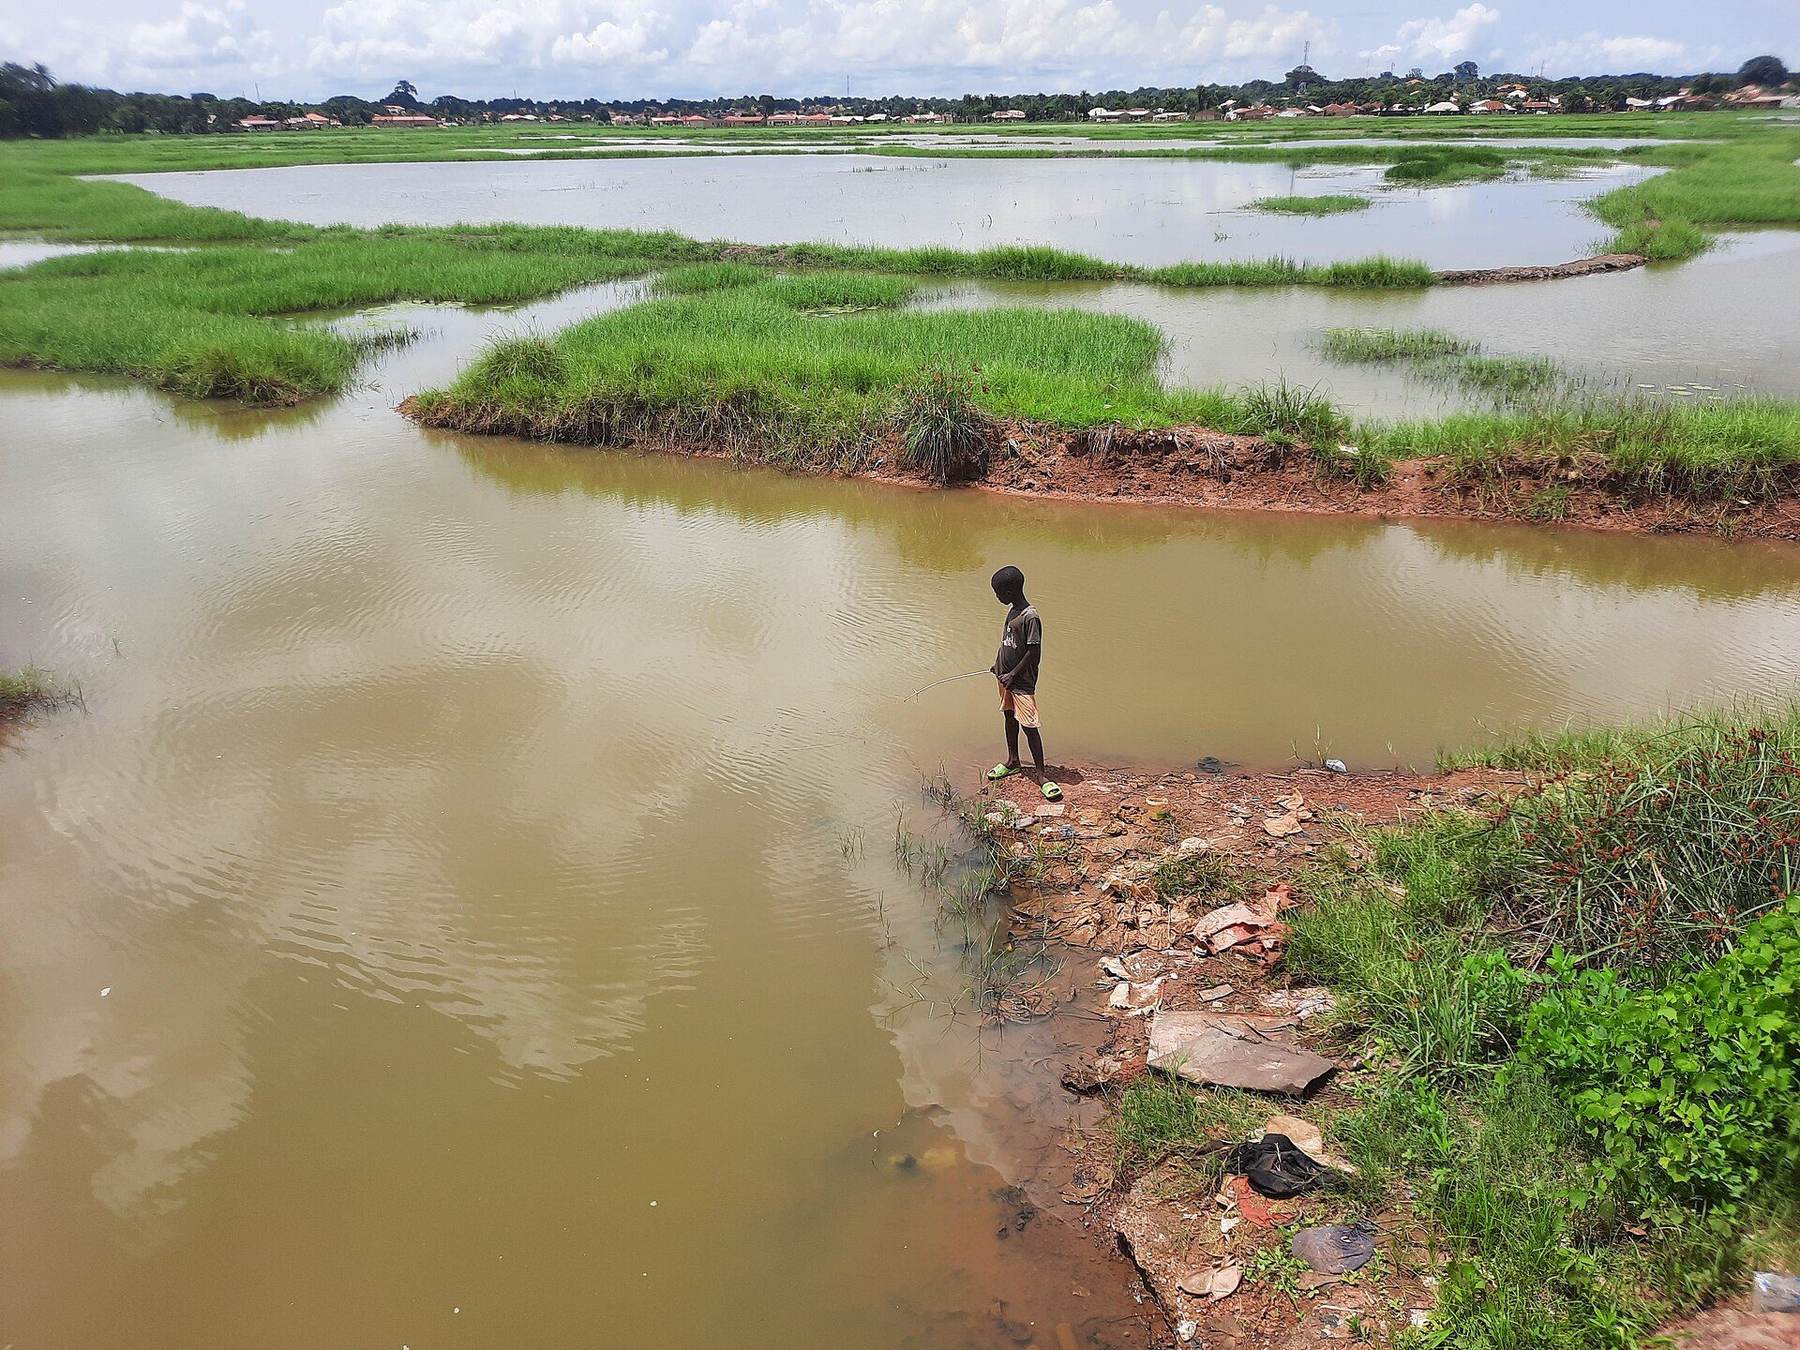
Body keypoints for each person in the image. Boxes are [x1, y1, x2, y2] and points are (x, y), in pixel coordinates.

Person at [985, 565, 1060, 801]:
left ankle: (1041, 776)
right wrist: (998, 665)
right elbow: (1008, 643)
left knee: (1029, 726)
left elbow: (1033, 653)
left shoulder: (1030, 616)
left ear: (1009, 591)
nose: (997, 597)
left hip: (1021, 681)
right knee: (1009, 717)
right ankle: (1013, 761)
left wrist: (1013, 675)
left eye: (998, 593)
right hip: (1005, 677)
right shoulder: (1013, 611)